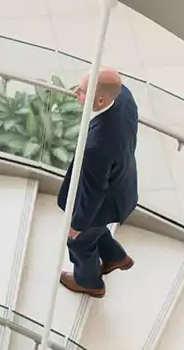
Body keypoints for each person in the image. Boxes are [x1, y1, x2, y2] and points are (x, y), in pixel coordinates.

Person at [57, 67, 138, 299]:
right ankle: (115, 257)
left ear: (101, 100)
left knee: (80, 242)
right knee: (95, 231)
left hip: (105, 199)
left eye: (82, 92)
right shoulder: (124, 96)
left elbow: (93, 194)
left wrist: (77, 225)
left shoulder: (97, 146)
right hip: (122, 183)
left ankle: (89, 282)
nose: (75, 93)